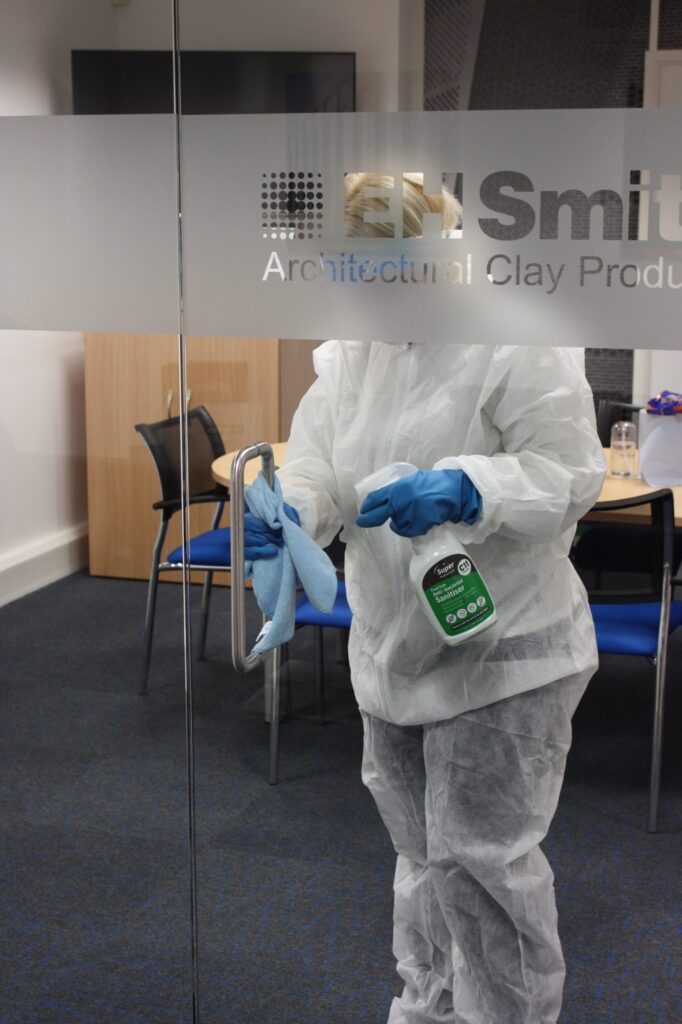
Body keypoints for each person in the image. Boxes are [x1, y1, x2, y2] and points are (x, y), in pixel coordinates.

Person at [245, 174, 606, 1024]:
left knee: (484, 861)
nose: (366, 286)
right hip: (391, 644)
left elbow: (571, 473)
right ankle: (432, 1005)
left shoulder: (518, 337)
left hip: (504, 649)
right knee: (420, 855)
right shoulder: (354, 349)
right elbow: (317, 461)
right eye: (356, 267)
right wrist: (293, 510)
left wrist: (468, 486)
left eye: (385, 265)